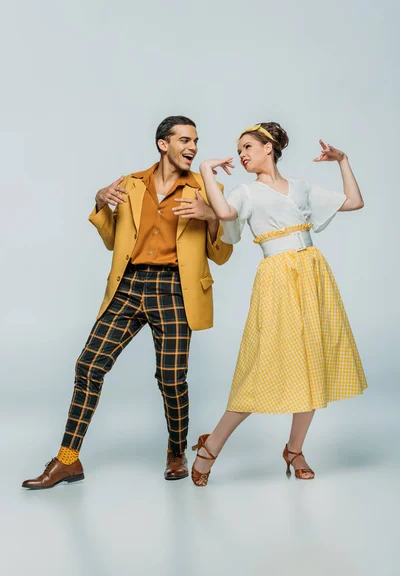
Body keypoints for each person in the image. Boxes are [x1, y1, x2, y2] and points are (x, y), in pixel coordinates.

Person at [22, 115, 233, 489]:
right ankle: (67, 460)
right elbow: (111, 240)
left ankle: (176, 450)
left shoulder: (204, 188)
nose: (193, 147)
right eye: (185, 139)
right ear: (162, 143)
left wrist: (211, 216)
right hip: (129, 285)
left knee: (171, 379)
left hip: (175, 290)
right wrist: (100, 201)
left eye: (196, 141)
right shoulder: (131, 184)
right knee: (88, 365)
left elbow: (221, 254)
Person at [184, 122, 367, 486]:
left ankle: (294, 449)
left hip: (313, 274)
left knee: (312, 362)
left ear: (269, 148)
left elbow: (354, 202)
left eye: (248, 147)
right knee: (260, 366)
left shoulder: (299, 187)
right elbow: (223, 215)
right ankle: (211, 447)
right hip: (276, 279)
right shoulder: (244, 193)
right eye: (239, 150)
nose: (242, 155)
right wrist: (205, 170)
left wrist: (342, 160)